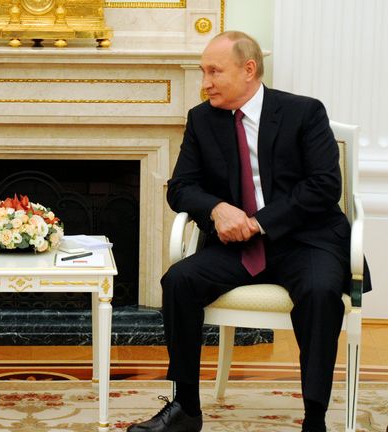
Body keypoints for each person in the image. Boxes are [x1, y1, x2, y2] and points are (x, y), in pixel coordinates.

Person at [126, 31, 361, 432]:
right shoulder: (202, 119)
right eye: (203, 72)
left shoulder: (304, 113)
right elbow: (182, 187)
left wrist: (257, 222)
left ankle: (315, 419)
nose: (205, 82)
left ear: (248, 69)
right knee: (179, 281)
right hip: (237, 248)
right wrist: (216, 209)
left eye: (214, 71)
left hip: (306, 240)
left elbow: (324, 186)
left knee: (321, 293)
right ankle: (186, 408)